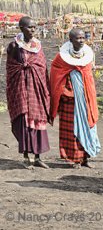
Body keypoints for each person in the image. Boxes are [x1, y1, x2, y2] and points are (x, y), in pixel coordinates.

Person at [50, 28, 101, 168]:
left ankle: (85, 158)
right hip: (69, 99)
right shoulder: (61, 58)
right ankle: (73, 159)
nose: (81, 41)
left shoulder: (87, 57)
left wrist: (86, 93)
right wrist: (66, 90)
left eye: (83, 37)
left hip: (85, 97)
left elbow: (88, 77)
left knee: (87, 126)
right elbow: (56, 74)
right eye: (78, 38)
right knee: (71, 129)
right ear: (70, 40)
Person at [6, 16, 51, 169]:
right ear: (21, 28)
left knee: (38, 119)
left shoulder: (38, 46)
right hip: (21, 88)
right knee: (25, 120)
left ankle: (38, 157)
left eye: (34, 27)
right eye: (29, 27)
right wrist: (23, 69)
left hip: (36, 88)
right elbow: (11, 68)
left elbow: (42, 67)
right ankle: (26, 157)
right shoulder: (14, 46)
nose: (32, 30)